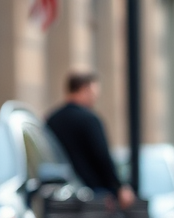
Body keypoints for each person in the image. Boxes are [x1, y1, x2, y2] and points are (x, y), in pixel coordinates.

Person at [47, 71, 135, 209]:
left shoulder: (52, 120)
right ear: (85, 89)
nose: (95, 97)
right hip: (94, 194)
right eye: (94, 92)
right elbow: (102, 156)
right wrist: (118, 187)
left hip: (61, 195)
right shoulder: (90, 119)